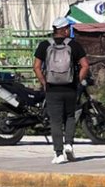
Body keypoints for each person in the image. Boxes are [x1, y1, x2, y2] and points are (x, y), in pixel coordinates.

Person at [33, 17, 89, 164]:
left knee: (56, 121)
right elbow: (85, 66)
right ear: (64, 30)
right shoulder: (74, 45)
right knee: (70, 116)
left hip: (52, 89)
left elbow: (36, 67)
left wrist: (44, 82)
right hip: (70, 88)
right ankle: (69, 144)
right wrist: (77, 81)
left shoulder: (44, 45)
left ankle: (58, 154)